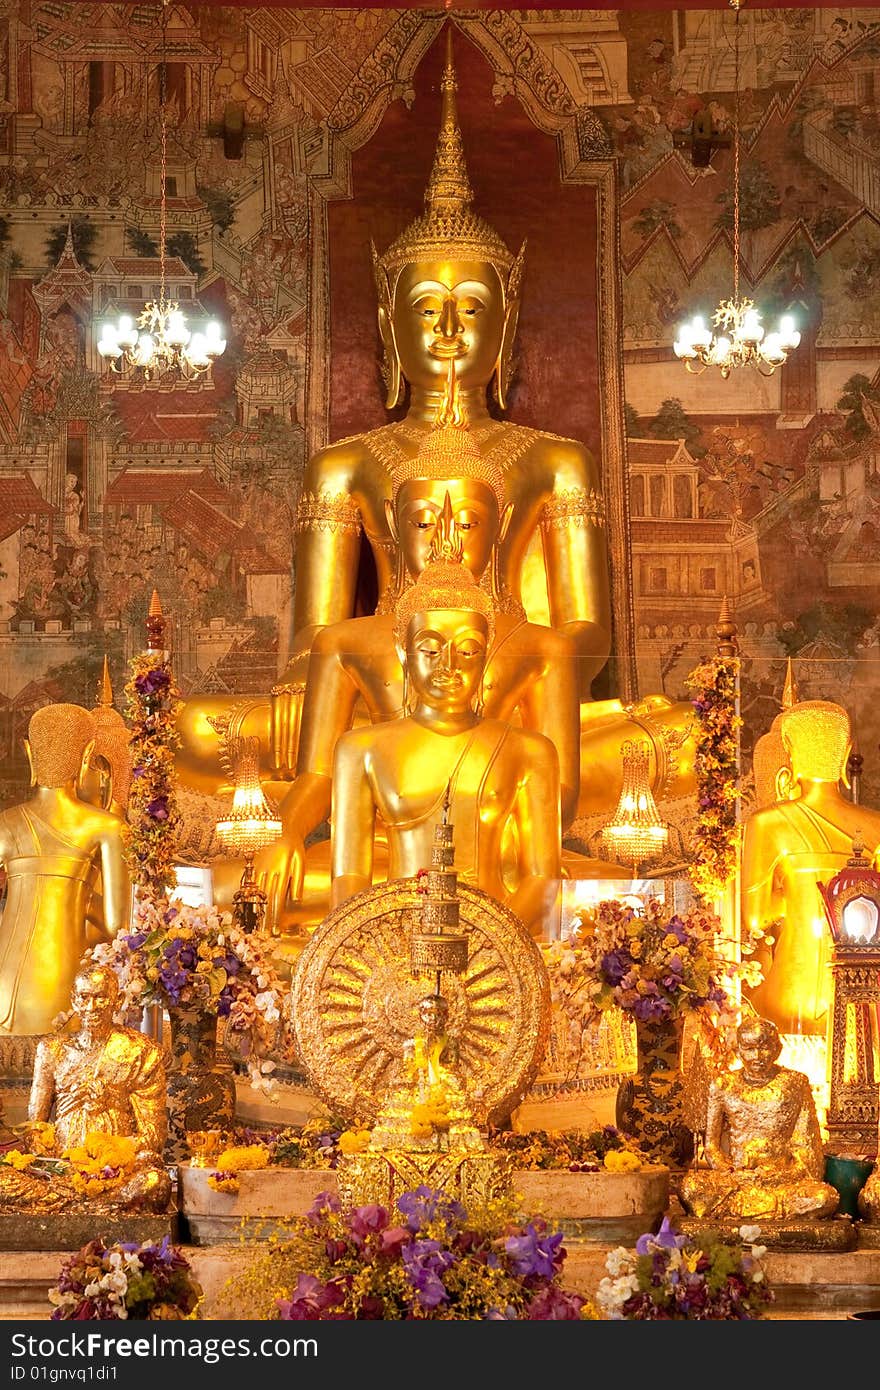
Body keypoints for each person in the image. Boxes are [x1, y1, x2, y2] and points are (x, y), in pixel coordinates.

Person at [330, 559, 560, 936]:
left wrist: (491, 942)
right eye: (430, 650)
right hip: (395, 935)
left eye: (468, 650)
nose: (449, 665)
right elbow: (348, 877)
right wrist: (379, 945)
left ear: (487, 657)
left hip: (498, 937)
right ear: (403, 652)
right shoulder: (361, 749)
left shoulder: (529, 750)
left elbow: (543, 879)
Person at [741, 698, 880, 1035]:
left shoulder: (768, 822)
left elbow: (755, 918)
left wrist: (794, 896)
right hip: (864, 1003)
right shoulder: (875, 824)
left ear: (789, 752)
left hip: (791, 999)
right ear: (845, 755)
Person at [0, 704, 130, 1035]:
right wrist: (79, 897)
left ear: (30, 753)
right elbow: (117, 927)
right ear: (88, 754)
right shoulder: (106, 827)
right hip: (63, 986)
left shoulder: (5, 823)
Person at [0, 966, 171, 1213]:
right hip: (59, 1170)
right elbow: (34, 1128)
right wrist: (46, 1155)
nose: (91, 1008)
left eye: (100, 997)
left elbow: (153, 1136)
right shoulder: (52, 1050)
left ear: (117, 1000)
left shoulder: (142, 1052)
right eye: (83, 997)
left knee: (155, 1182)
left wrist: (110, 1107)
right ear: (74, 1000)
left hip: (116, 1173)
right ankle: (96, 1205)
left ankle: (69, 1205)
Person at [679, 1015, 839, 1221]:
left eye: (764, 1047)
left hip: (781, 1181)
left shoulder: (795, 1083)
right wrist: (727, 1169)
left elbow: (808, 1149)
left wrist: (779, 1175)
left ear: (778, 1049)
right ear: (737, 1050)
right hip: (737, 1179)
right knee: (691, 1187)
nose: (757, 1056)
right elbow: (711, 1147)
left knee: (824, 1197)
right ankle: (770, 1213)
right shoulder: (722, 1084)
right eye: (749, 1048)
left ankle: (743, 1213)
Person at [370, 992, 483, 1154]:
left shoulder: (451, 1042)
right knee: (400, 1089)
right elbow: (407, 1067)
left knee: (454, 1088)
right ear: (420, 1016)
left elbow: (453, 1067)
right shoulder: (411, 1042)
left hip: (442, 1081)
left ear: (446, 1017)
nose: (433, 1020)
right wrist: (418, 1070)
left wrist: (438, 1071)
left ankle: (447, 1138)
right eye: (428, 1015)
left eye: (438, 1015)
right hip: (418, 1080)